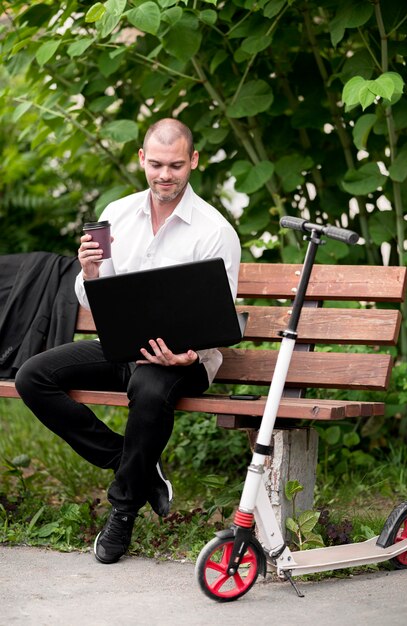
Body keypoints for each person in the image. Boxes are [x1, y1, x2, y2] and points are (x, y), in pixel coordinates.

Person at [15, 118, 241, 565]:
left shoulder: (215, 231)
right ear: (141, 159)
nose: (164, 175)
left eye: (175, 165)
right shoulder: (117, 214)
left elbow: (218, 316)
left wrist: (187, 353)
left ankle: (122, 509)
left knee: (149, 386)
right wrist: (92, 272)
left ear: (192, 161)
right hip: (122, 345)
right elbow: (93, 297)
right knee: (32, 376)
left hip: (185, 359)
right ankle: (133, 462)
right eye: (155, 164)